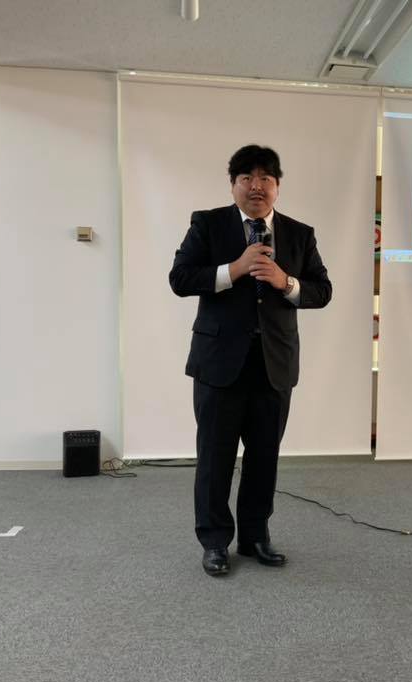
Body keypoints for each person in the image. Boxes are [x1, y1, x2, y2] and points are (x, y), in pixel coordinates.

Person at [168, 145, 332, 577]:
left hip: (274, 364)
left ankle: (255, 535)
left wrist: (286, 281)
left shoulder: (299, 234)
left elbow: (322, 291)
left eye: (265, 179)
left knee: (264, 457)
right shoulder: (208, 224)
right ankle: (214, 542)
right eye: (246, 178)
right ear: (233, 185)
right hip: (219, 364)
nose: (256, 186)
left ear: (277, 187)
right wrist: (234, 268)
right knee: (215, 457)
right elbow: (180, 278)